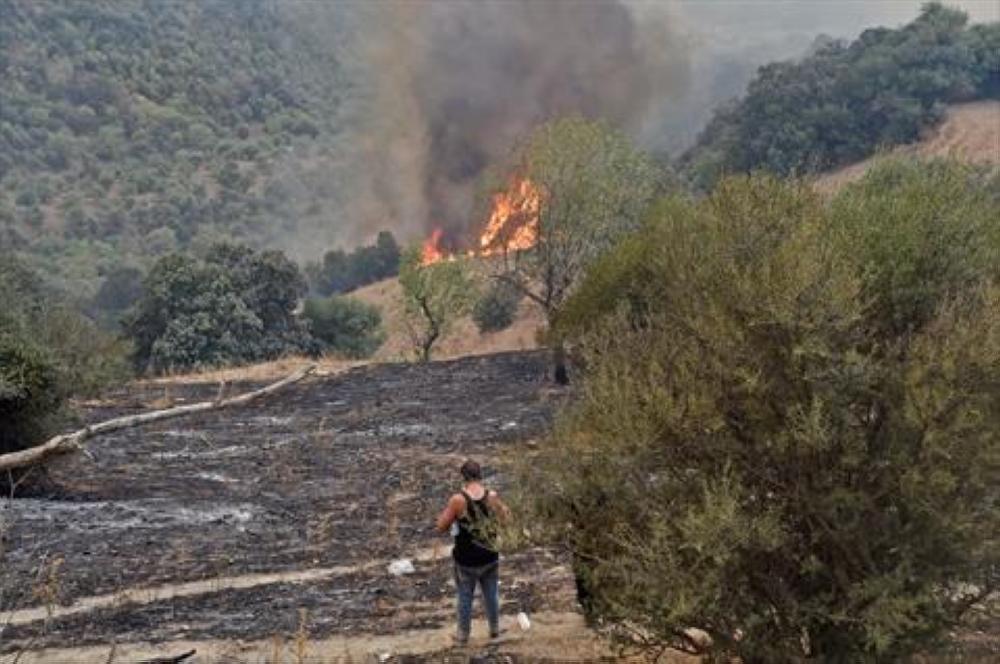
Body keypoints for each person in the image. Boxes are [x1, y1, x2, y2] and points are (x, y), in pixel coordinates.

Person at [435, 459, 510, 646]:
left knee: (465, 596)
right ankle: (494, 629)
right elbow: (507, 519)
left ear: (464, 476)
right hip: (489, 555)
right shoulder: (492, 496)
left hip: (466, 559)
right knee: (491, 594)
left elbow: (441, 526)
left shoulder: (458, 500)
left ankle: (462, 636)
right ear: (480, 475)